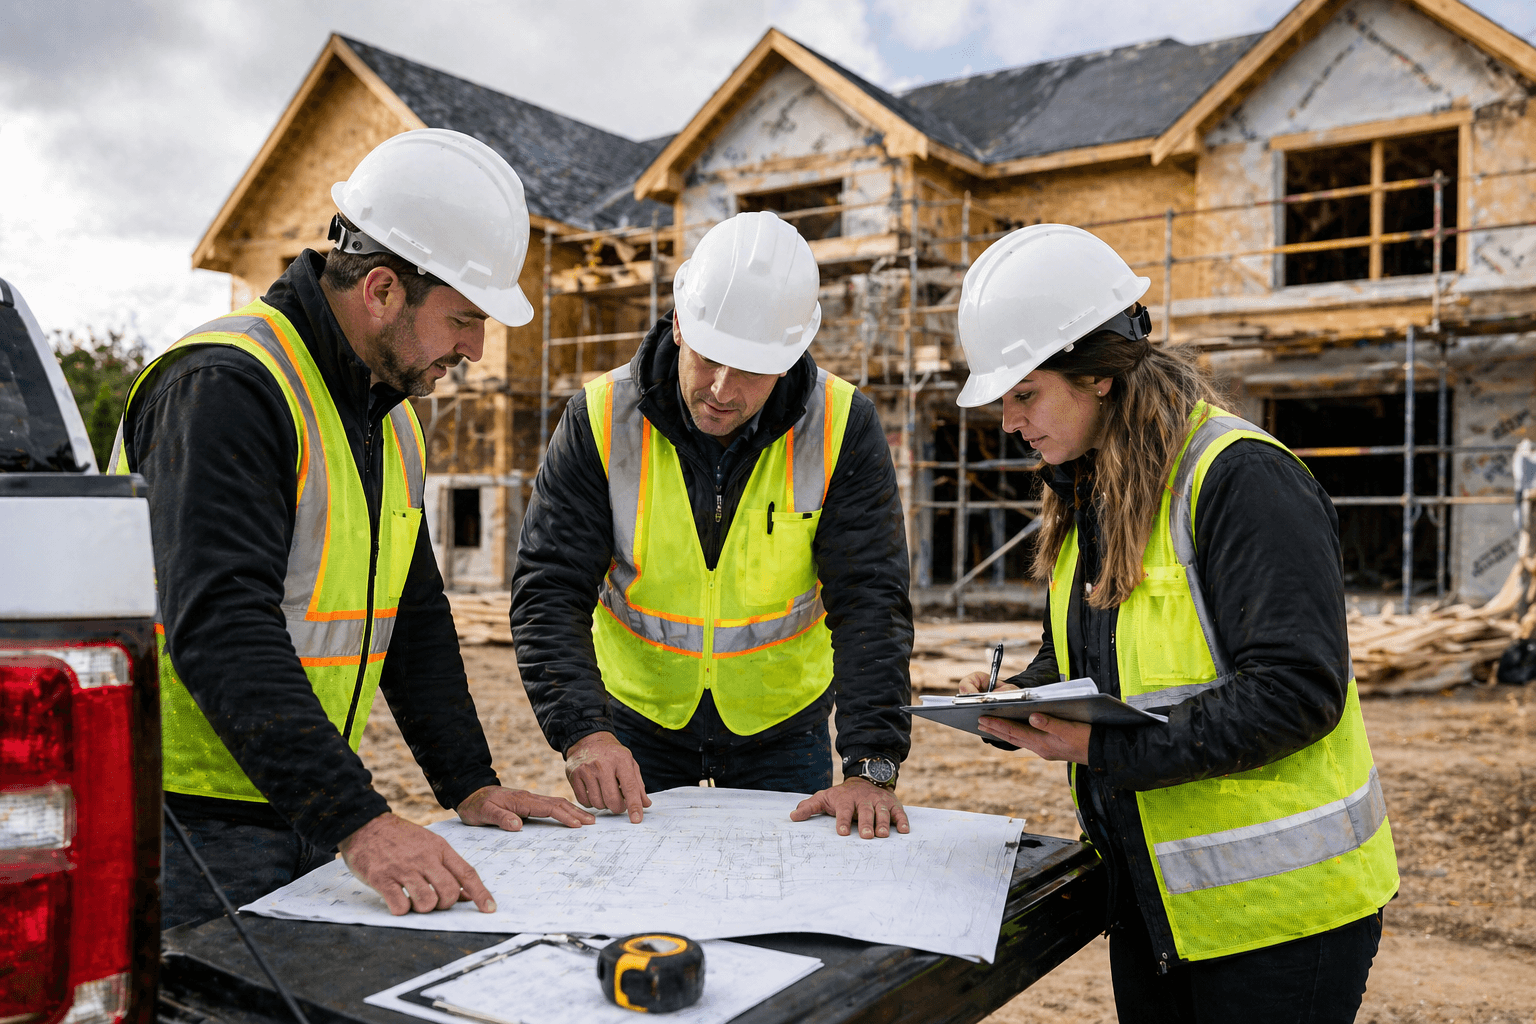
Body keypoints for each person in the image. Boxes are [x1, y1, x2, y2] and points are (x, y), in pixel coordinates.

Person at [112, 129, 594, 930]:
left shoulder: (387, 416)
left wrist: (467, 782)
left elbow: (415, 618)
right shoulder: (227, 386)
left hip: (303, 802)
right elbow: (220, 624)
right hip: (189, 819)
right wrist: (361, 821)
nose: (475, 348)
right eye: (465, 318)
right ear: (380, 291)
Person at [952, 224, 1399, 1022]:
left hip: (1281, 924)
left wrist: (1104, 745)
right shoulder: (1086, 492)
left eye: (1025, 393)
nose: (1012, 421)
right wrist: (1016, 698)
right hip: (1157, 907)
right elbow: (1083, 656)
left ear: (1097, 375)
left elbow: (1298, 692)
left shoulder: (1241, 481)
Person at [511, 211, 913, 840]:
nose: (722, 390)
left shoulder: (842, 426)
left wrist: (870, 765)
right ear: (679, 322)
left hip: (783, 726)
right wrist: (582, 731)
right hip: (635, 722)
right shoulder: (600, 417)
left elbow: (871, 599)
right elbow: (549, 588)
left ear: (792, 355)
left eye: (751, 369)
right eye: (709, 359)